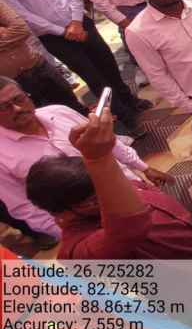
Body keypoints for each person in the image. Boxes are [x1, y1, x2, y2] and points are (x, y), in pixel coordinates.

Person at [23, 108, 192, 329]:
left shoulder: (109, 185)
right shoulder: (76, 251)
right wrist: (99, 159)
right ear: (62, 211)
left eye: (100, 188)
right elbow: (130, 227)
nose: (104, 198)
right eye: (92, 200)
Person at [0, 0, 150, 132]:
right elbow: (22, 15)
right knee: (93, 77)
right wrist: (63, 31)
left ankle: (130, 100)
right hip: (53, 37)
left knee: (108, 64)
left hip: (79, 21)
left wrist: (77, 21)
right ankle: (125, 119)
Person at [0, 78, 166, 244]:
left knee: (168, 229)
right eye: (4, 107)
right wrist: (78, 236)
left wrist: (143, 167)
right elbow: (24, 208)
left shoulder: (59, 112)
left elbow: (109, 141)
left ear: (27, 95)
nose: (17, 109)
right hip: (94, 224)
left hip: (132, 188)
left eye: (18, 99)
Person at [0, 0, 84, 114]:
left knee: (75, 109)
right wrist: (7, 34)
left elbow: (21, 29)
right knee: (36, 119)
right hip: (11, 84)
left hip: (38, 66)